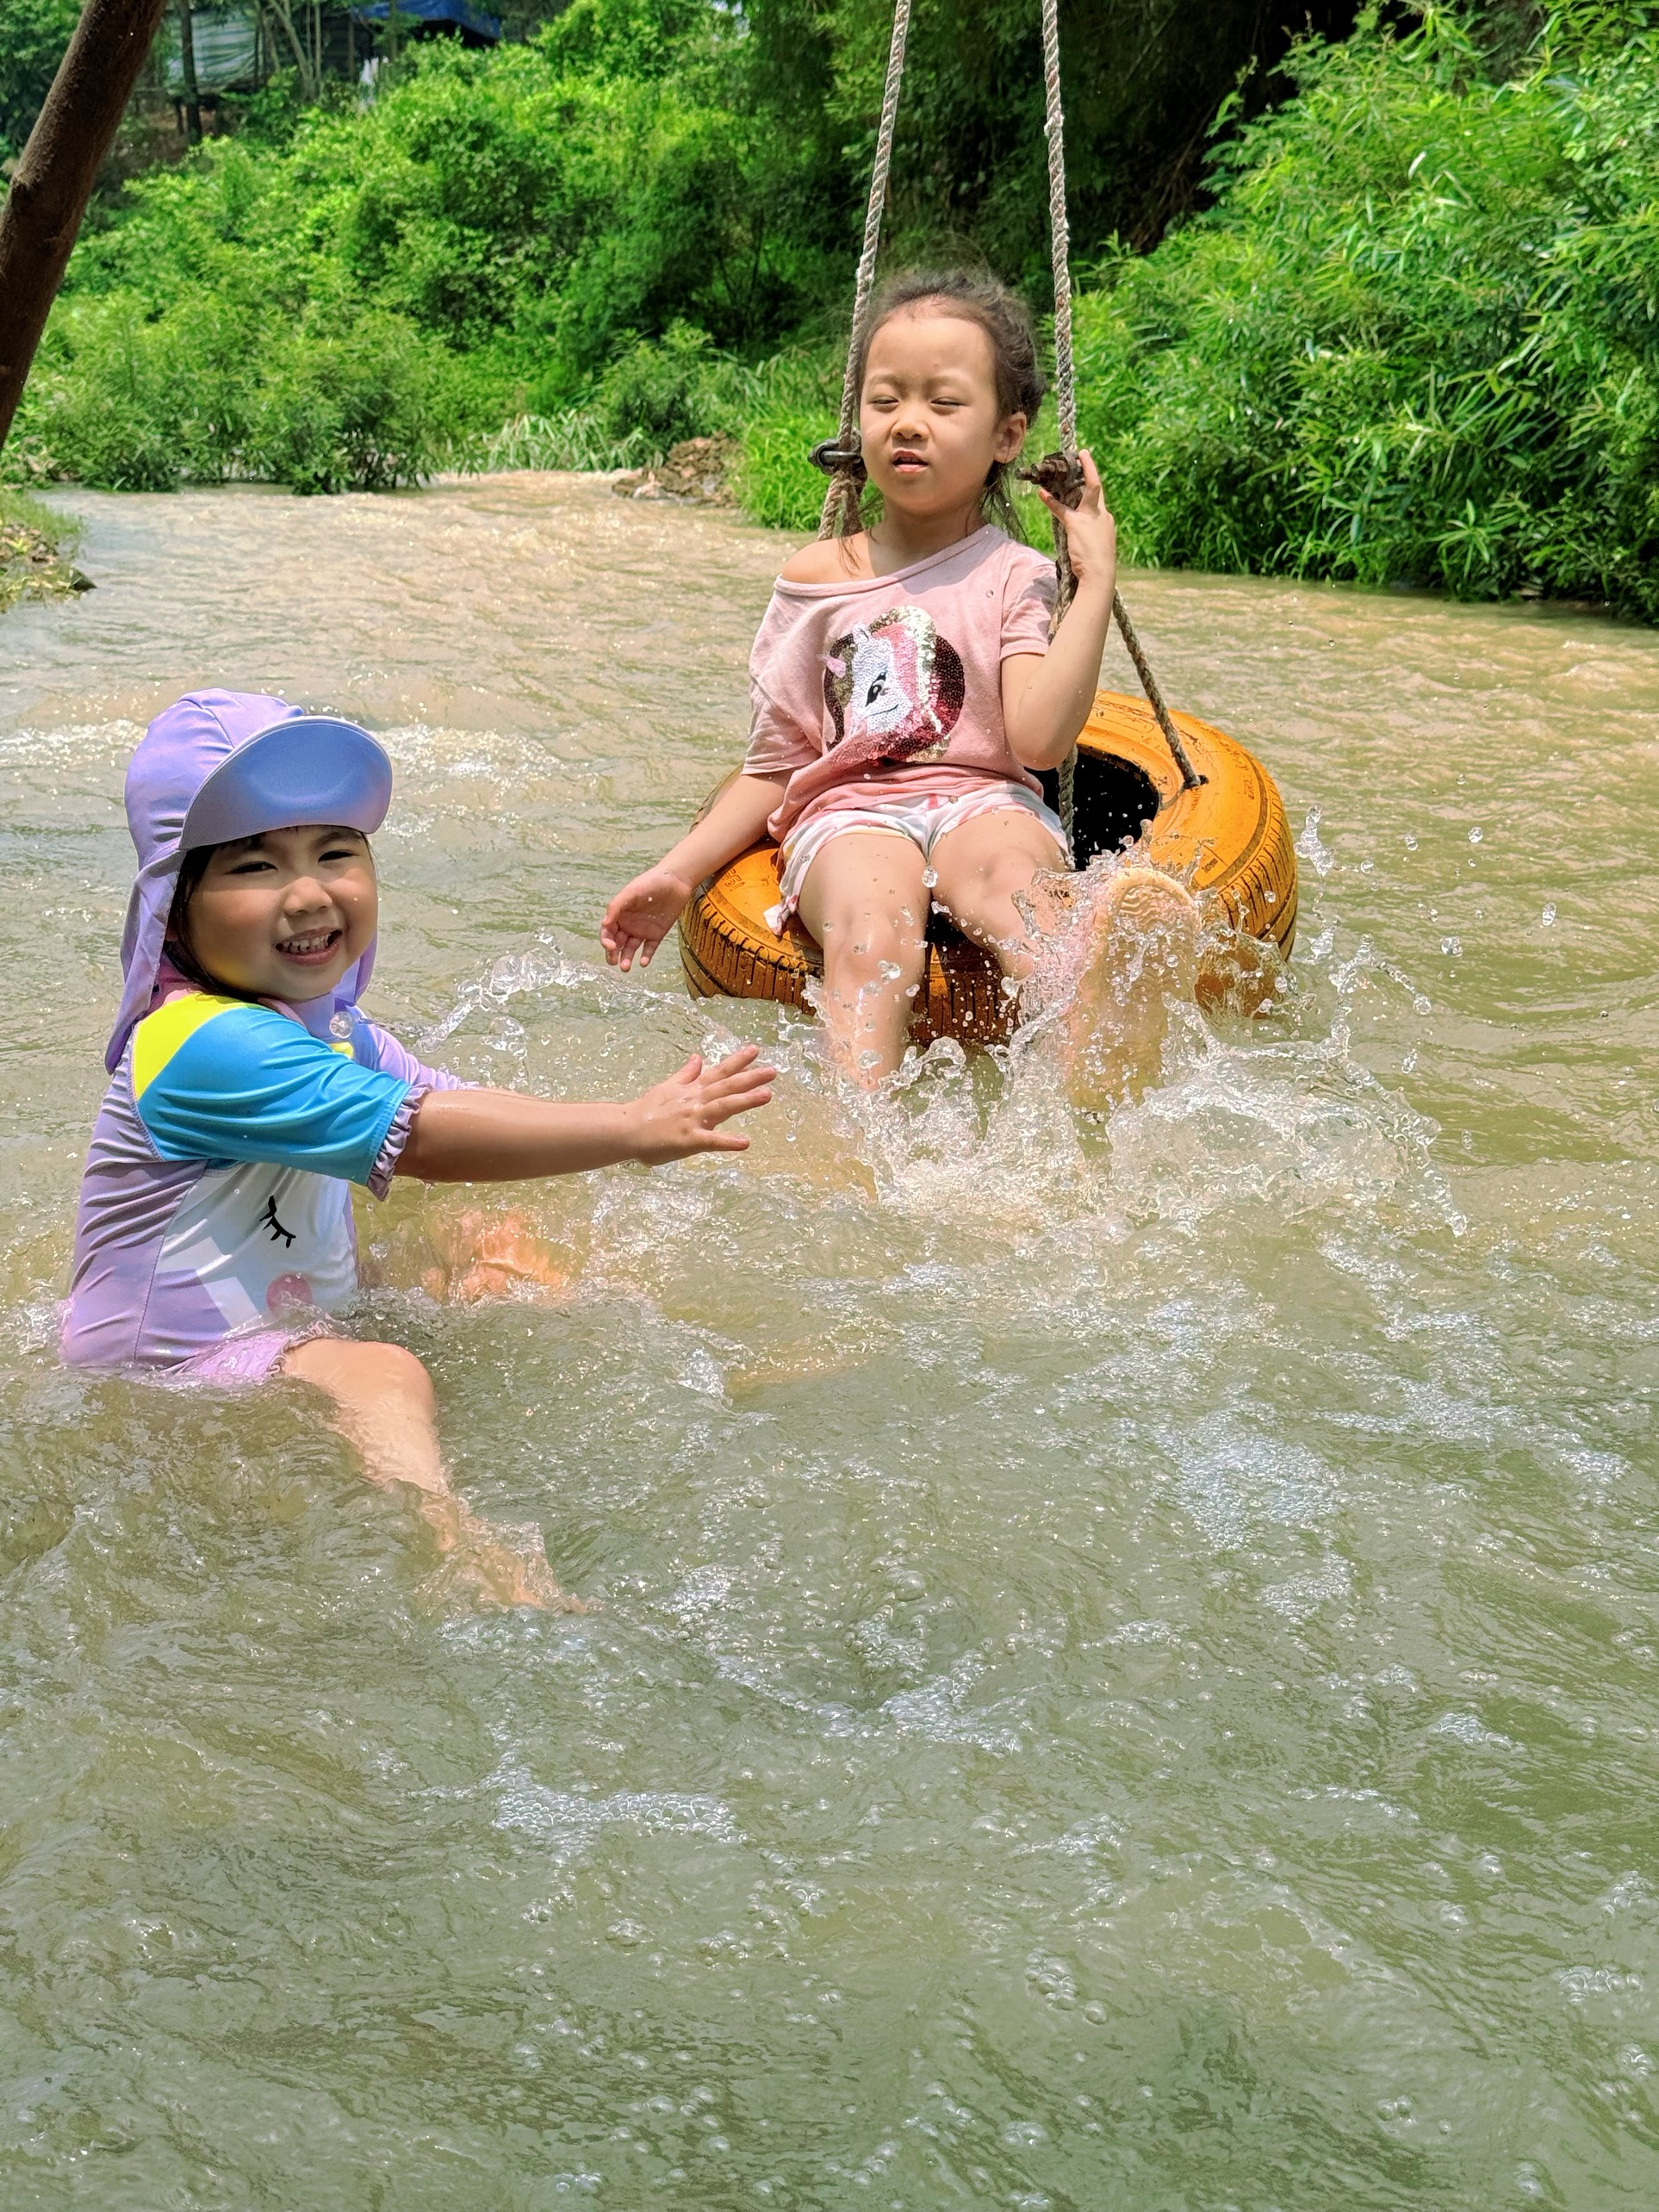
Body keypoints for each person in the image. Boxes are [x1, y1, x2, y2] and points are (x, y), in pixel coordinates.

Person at [65, 690, 774, 1602]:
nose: (310, 893)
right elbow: (426, 1139)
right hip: (161, 1369)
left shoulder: (328, 1028)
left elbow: (455, 1102)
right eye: (255, 866)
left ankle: (686, 1370)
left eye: (334, 853)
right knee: (383, 1370)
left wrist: (611, 1121)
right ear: (176, 908)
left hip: (281, 1315)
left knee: (489, 1234)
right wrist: (630, 1129)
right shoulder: (201, 1044)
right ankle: (457, 1552)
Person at [600, 269, 1198, 1090]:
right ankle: (863, 1139)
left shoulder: (1016, 573)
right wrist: (677, 872)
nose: (908, 423)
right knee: (873, 930)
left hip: (985, 797)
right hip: (848, 812)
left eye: (943, 404)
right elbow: (774, 766)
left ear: (1008, 436)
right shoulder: (815, 577)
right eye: (886, 402)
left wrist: (1092, 582)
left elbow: (1037, 738)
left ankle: (1098, 1033)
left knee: (1010, 887)